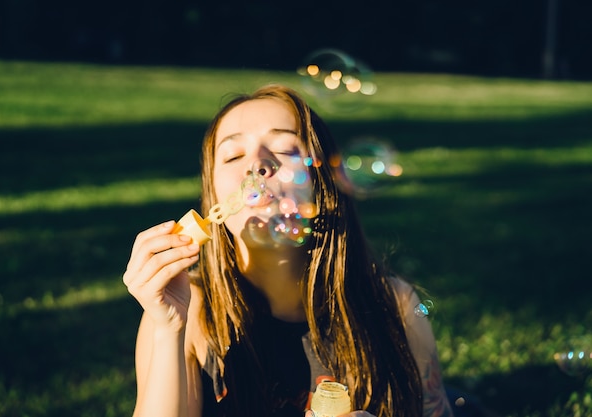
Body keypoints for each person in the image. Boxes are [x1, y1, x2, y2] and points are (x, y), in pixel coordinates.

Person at [123, 84, 454, 417]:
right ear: (214, 196)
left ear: (323, 183)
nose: (257, 164)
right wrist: (167, 329)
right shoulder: (185, 309)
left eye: (285, 149)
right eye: (233, 155)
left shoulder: (393, 306)